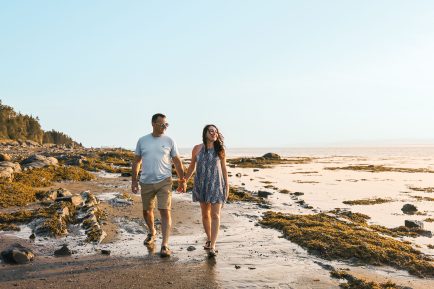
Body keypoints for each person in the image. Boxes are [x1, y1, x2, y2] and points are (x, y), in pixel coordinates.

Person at [132, 113, 185, 257]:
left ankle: (165, 245)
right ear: (153, 124)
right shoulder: (142, 141)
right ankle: (152, 232)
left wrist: (182, 180)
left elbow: (177, 161)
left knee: (164, 210)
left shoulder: (169, 140)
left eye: (166, 124)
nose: (164, 127)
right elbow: (137, 161)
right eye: (162, 124)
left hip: (164, 181)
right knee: (147, 211)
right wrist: (134, 180)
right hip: (146, 181)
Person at [182, 124, 229, 257]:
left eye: (216, 132)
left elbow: (224, 169)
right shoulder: (197, 148)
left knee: (216, 215)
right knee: (205, 215)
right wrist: (184, 179)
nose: (214, 133)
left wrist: (227, 186)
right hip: (201, 184)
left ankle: (213, 245)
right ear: (205, 133)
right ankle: (209, 238)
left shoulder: (220, 149)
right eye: (211, 131)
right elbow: (192, 166)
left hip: (216, 184)